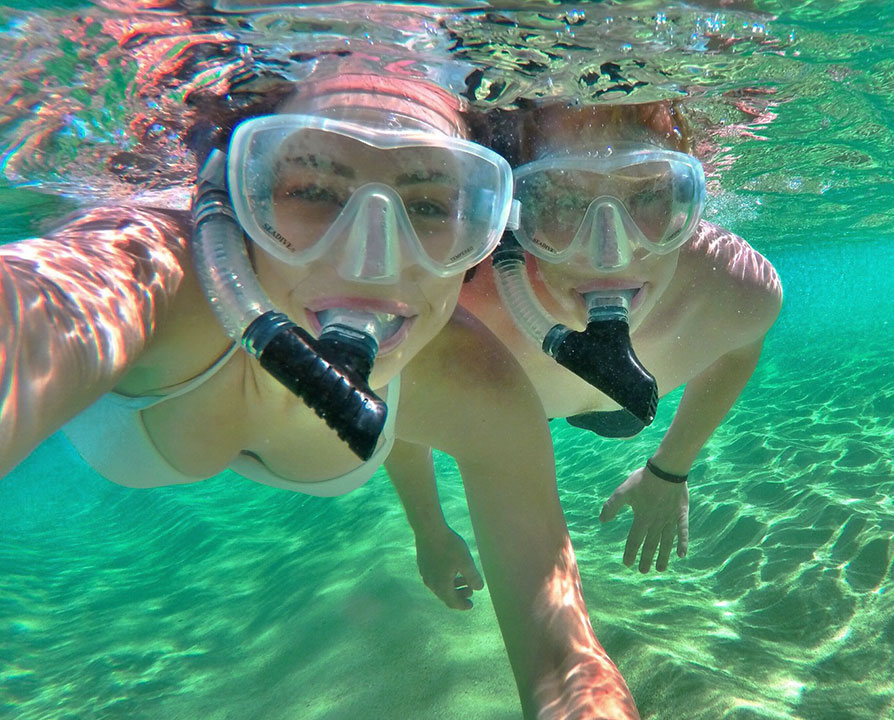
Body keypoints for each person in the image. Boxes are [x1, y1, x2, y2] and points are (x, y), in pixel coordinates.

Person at [0, 63, 639, 720]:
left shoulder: (476, 388)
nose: (370, 263)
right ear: (234, 195)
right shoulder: (143, 273)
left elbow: (565, 661)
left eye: (426, 206)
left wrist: (430, 529)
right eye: (314, 191)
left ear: (482, 235)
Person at [397, 98, 782, 607]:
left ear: (691, 204)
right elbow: (400, 406)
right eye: (561, 201)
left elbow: (739, 349)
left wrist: (670, 471)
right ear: (516, 214)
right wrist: (429, 529)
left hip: (626, 407)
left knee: (622, 415)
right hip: (521, 403)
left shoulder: (737, 289)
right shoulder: (459, 310)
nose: (610, 253)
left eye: (652, 195)